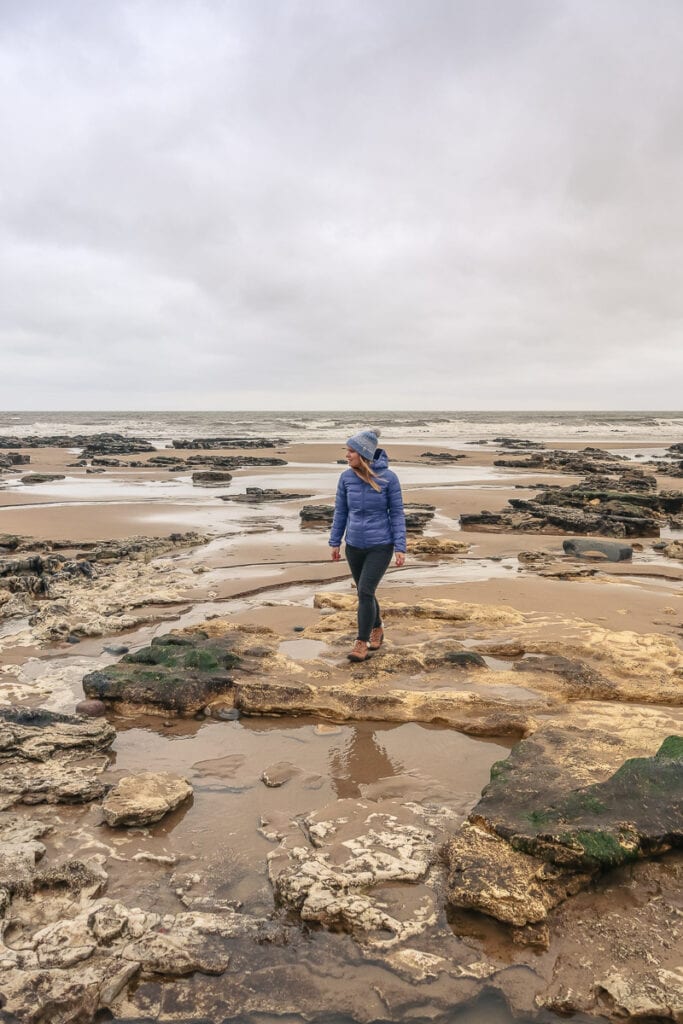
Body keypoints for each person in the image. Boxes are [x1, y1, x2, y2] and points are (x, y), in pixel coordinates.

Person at [329, 428, 406, 662]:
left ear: (363, 454)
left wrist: (400, 546)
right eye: (347, 450)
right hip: (354, 545)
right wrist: (335, 541)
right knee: (366, 591)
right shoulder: (346, 477)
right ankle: (378, 628)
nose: (347, 455)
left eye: (351, 451)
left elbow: (397, 514)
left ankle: (360, 643)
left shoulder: (388, 479)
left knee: (364, 591)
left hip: (380, 545)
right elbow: (341, 511)